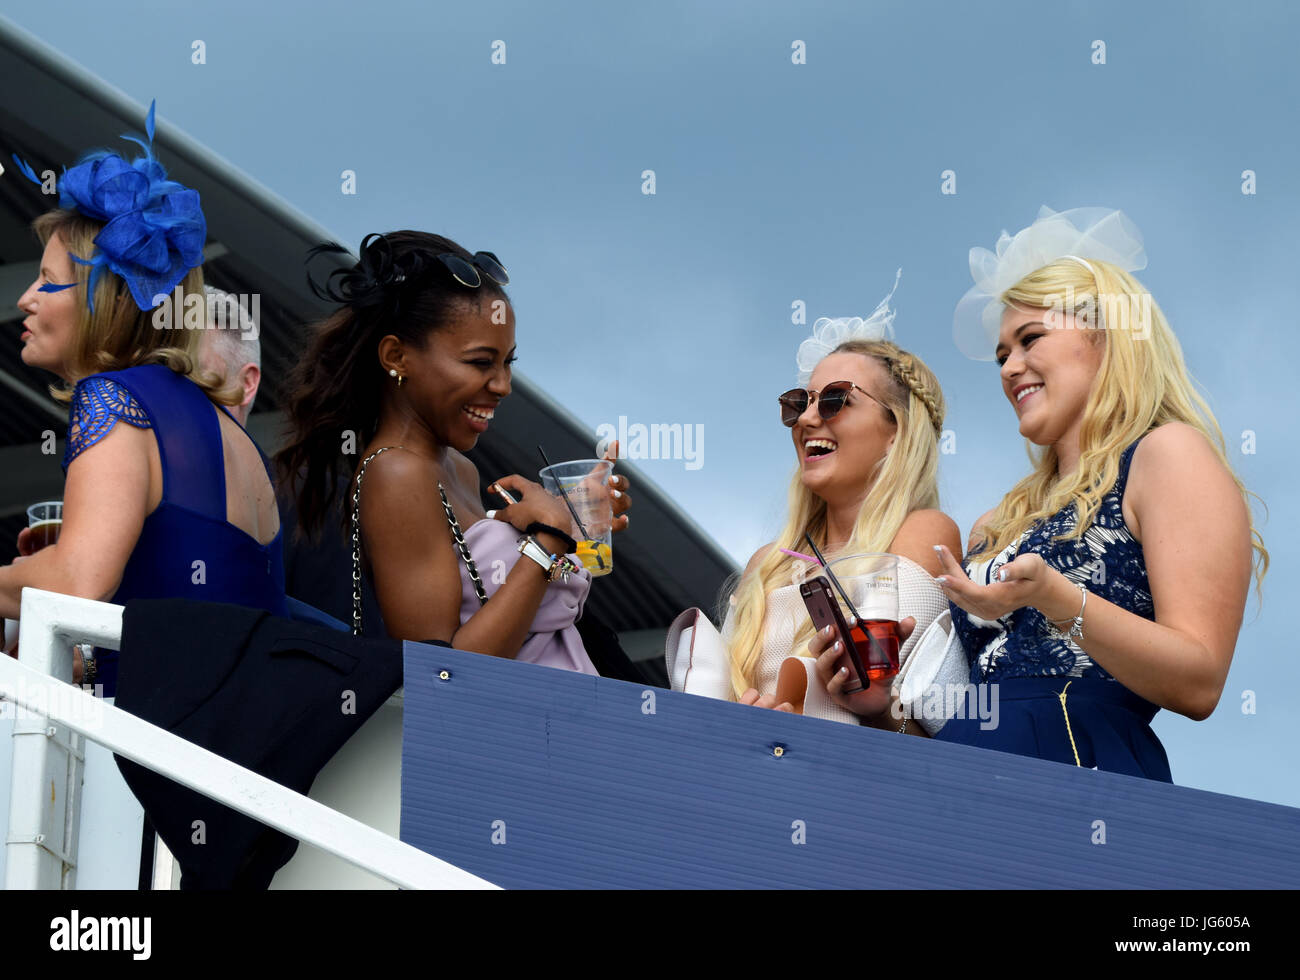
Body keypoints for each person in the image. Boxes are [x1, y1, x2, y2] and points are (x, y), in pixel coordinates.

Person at [931, 206, 1268, 781]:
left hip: (1078, 769)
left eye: (1030, 338)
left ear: (1107, 336)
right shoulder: (998, 522)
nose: (1011, 367)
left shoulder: (1167, 455)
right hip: (953, 770)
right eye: (1001, 355)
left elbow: (1201, 679)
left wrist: (1057, 599)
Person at [0, 107, 287, 696]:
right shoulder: (233, 435)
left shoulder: (113, 398)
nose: (27, 298)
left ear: (104, 301)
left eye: (50, 281)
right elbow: (192, 614)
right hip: (239, 749)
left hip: (152, 767)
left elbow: (79, 579)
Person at [276, 231, 630, 670]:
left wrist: (572, 528)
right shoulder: (397, 474)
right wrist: (546, 541)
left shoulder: (459, 469)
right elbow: (443, 674)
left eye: (507, 363)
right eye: (481, 362)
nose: (502, 386)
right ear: (396, 357)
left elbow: (517, 616)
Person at [723, 276, 962, 732]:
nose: (808, 419)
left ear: (897, 431)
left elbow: (918, 726)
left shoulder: (924, 532)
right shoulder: (766, 564)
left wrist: (869, 707)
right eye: (799, 403)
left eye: (836, 400)